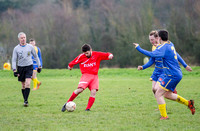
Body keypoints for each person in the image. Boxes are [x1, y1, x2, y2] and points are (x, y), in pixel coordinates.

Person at [133, 29, 195, 120]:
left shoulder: (163, 48)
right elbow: (176, 55)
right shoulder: (170, 44)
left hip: (172, 75)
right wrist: (185, 65)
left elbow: (151, 54)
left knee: (158, 93)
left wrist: (138, 47)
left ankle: (164, 116)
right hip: (176, 74)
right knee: (166, 95)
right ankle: (188, 103)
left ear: (160, 37)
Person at [137, 30, 192, 97]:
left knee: (157, 89)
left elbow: (176, 55)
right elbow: (152, 60)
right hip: (156, 71)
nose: (151, 41)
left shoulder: (164, 45)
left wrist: (185, 65)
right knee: (153, 89)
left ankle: (170, 90)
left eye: (152, 39)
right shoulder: (154, 47)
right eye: (150, 40)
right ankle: (160, 104)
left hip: (164, 72)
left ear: (158, 38)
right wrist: (143, 67)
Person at [61, 44, 114, 112]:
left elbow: (107, 54)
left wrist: (110, 55)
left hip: (94, 76)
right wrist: (70, 66)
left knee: (93, 92)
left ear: (91, 50)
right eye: (84, 53)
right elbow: (73, 62)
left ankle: (87, 109)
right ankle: (66, 104)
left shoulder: (97, 54)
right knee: (80, 90)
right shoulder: (81, 56)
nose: (86, 55)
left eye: (87, 53)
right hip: (86, 75)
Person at [12, 32, 42, 107]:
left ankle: (26, 101)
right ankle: (25, 100)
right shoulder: (16, 48)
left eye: (24, 37)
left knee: (28, 83)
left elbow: (36, 56)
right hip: (20, 67)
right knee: (23, 85)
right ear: (19, 39)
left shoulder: (30, 47)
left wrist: (39, 66)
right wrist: (14, 70)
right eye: (21, 38)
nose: (23, 39)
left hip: (29, 66)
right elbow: (13, 60)